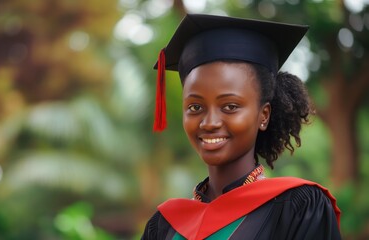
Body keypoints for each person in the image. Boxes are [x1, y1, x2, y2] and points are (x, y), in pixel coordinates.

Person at [141, 14, 341, 240]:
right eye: (195, 107)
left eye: (230, 106)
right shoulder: (163, 225)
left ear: (263, 115)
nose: (209, 122)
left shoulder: (298, 208)